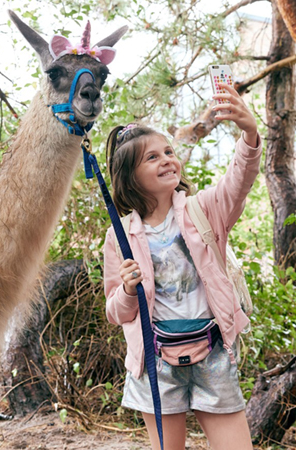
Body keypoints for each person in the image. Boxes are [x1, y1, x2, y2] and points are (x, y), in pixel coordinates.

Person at [103, 83, 261, 450]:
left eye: (169, 152)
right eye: (152, 157)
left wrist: (250, 133)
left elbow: (239, 179)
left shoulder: (204, 209)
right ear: (129, 176)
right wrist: (127, 290)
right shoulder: (120, 236)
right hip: (156, 361)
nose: (167, 160)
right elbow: (116, 312)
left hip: (212, 352)